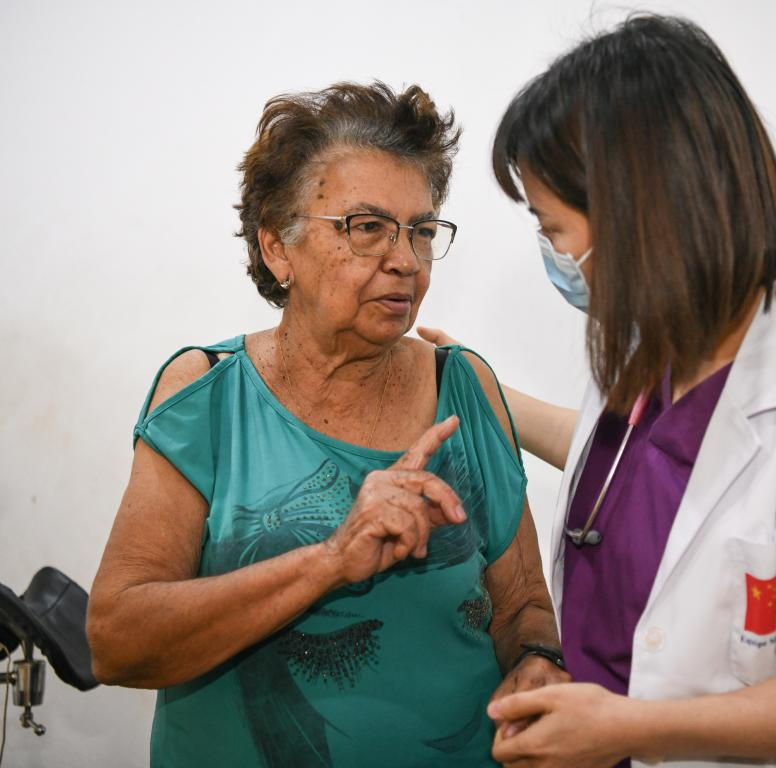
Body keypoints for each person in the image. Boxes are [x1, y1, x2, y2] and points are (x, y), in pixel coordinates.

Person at [421, 15, 776, 768]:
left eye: (554, 228)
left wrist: (630, 728)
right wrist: (483, 389)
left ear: (643, 213)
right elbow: (643, 473)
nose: (554, 256)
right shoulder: (652, 361)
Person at [86, 81, 568, 768]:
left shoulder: (463, 385)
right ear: (277, 248)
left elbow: (523, 606)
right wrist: (331, 559)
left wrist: (538, 660)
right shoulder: (206, 394)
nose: (405, 260)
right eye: (367, 227)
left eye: (422, 231)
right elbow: (116, 641)